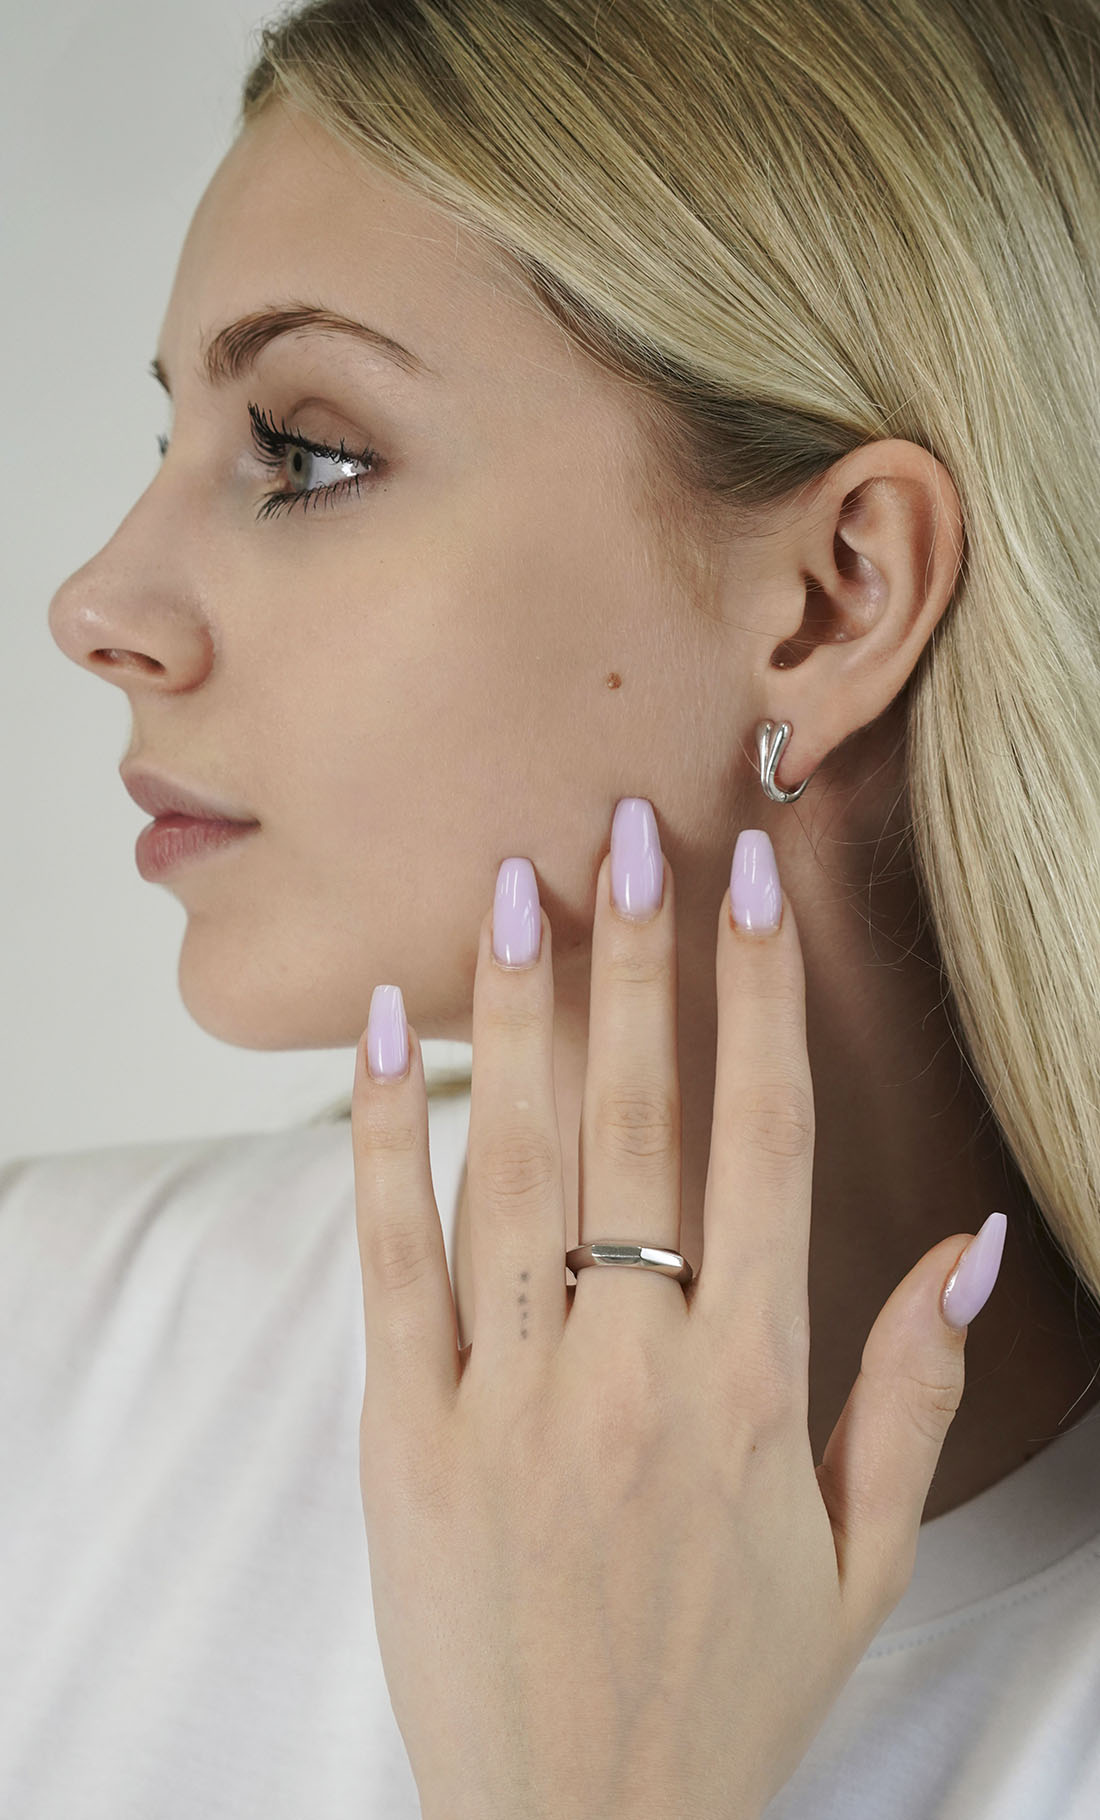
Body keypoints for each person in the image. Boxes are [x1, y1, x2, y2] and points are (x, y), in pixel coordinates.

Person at [6, 0, 1100, 1812]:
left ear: (834, 597)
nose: (97, 605)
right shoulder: (47, 1353)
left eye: (305, 452)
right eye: (170, 438)